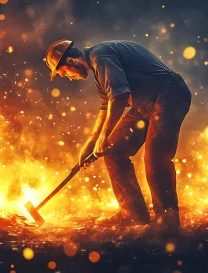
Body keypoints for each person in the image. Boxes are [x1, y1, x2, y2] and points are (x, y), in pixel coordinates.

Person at [45, 39, 192, 233]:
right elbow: (106, 107)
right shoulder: (97, 71)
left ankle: (168, 224)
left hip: (169, 96)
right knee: (113, 150)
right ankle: (133, 215)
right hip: (144, 104)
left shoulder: (100, 57)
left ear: (70, 61)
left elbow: (119, 97)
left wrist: (104, 136)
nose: (67, 77)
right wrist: (90, 144)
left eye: (63, 72)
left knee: (156, 159)